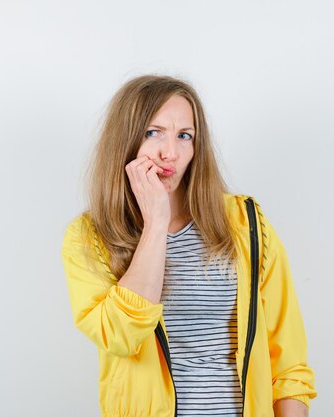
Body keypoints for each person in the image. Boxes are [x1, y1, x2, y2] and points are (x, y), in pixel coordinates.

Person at [61, 74, 317, 417]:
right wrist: (155, 223)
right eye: (153, 133)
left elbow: (287, 361)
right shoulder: (89, 236)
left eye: (185, 136)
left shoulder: (246, 222)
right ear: (126, 141)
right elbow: (120, 336)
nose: (171, 152)